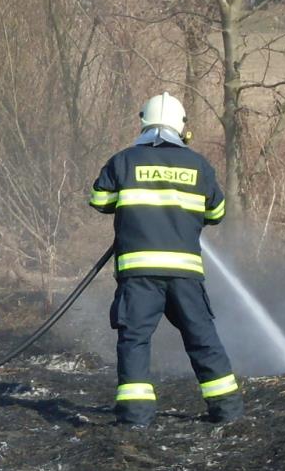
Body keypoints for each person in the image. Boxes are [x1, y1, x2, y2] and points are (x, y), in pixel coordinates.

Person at [89, 93, 243, 427]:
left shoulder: (124, 161)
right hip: (185, 275)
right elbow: (216, 212)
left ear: (144, 122)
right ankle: (228, 412)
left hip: (139, 274)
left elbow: (99, 199)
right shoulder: (199, 165)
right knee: (202, 339)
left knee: (135, 341)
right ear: (181, 126)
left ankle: (135, 418)